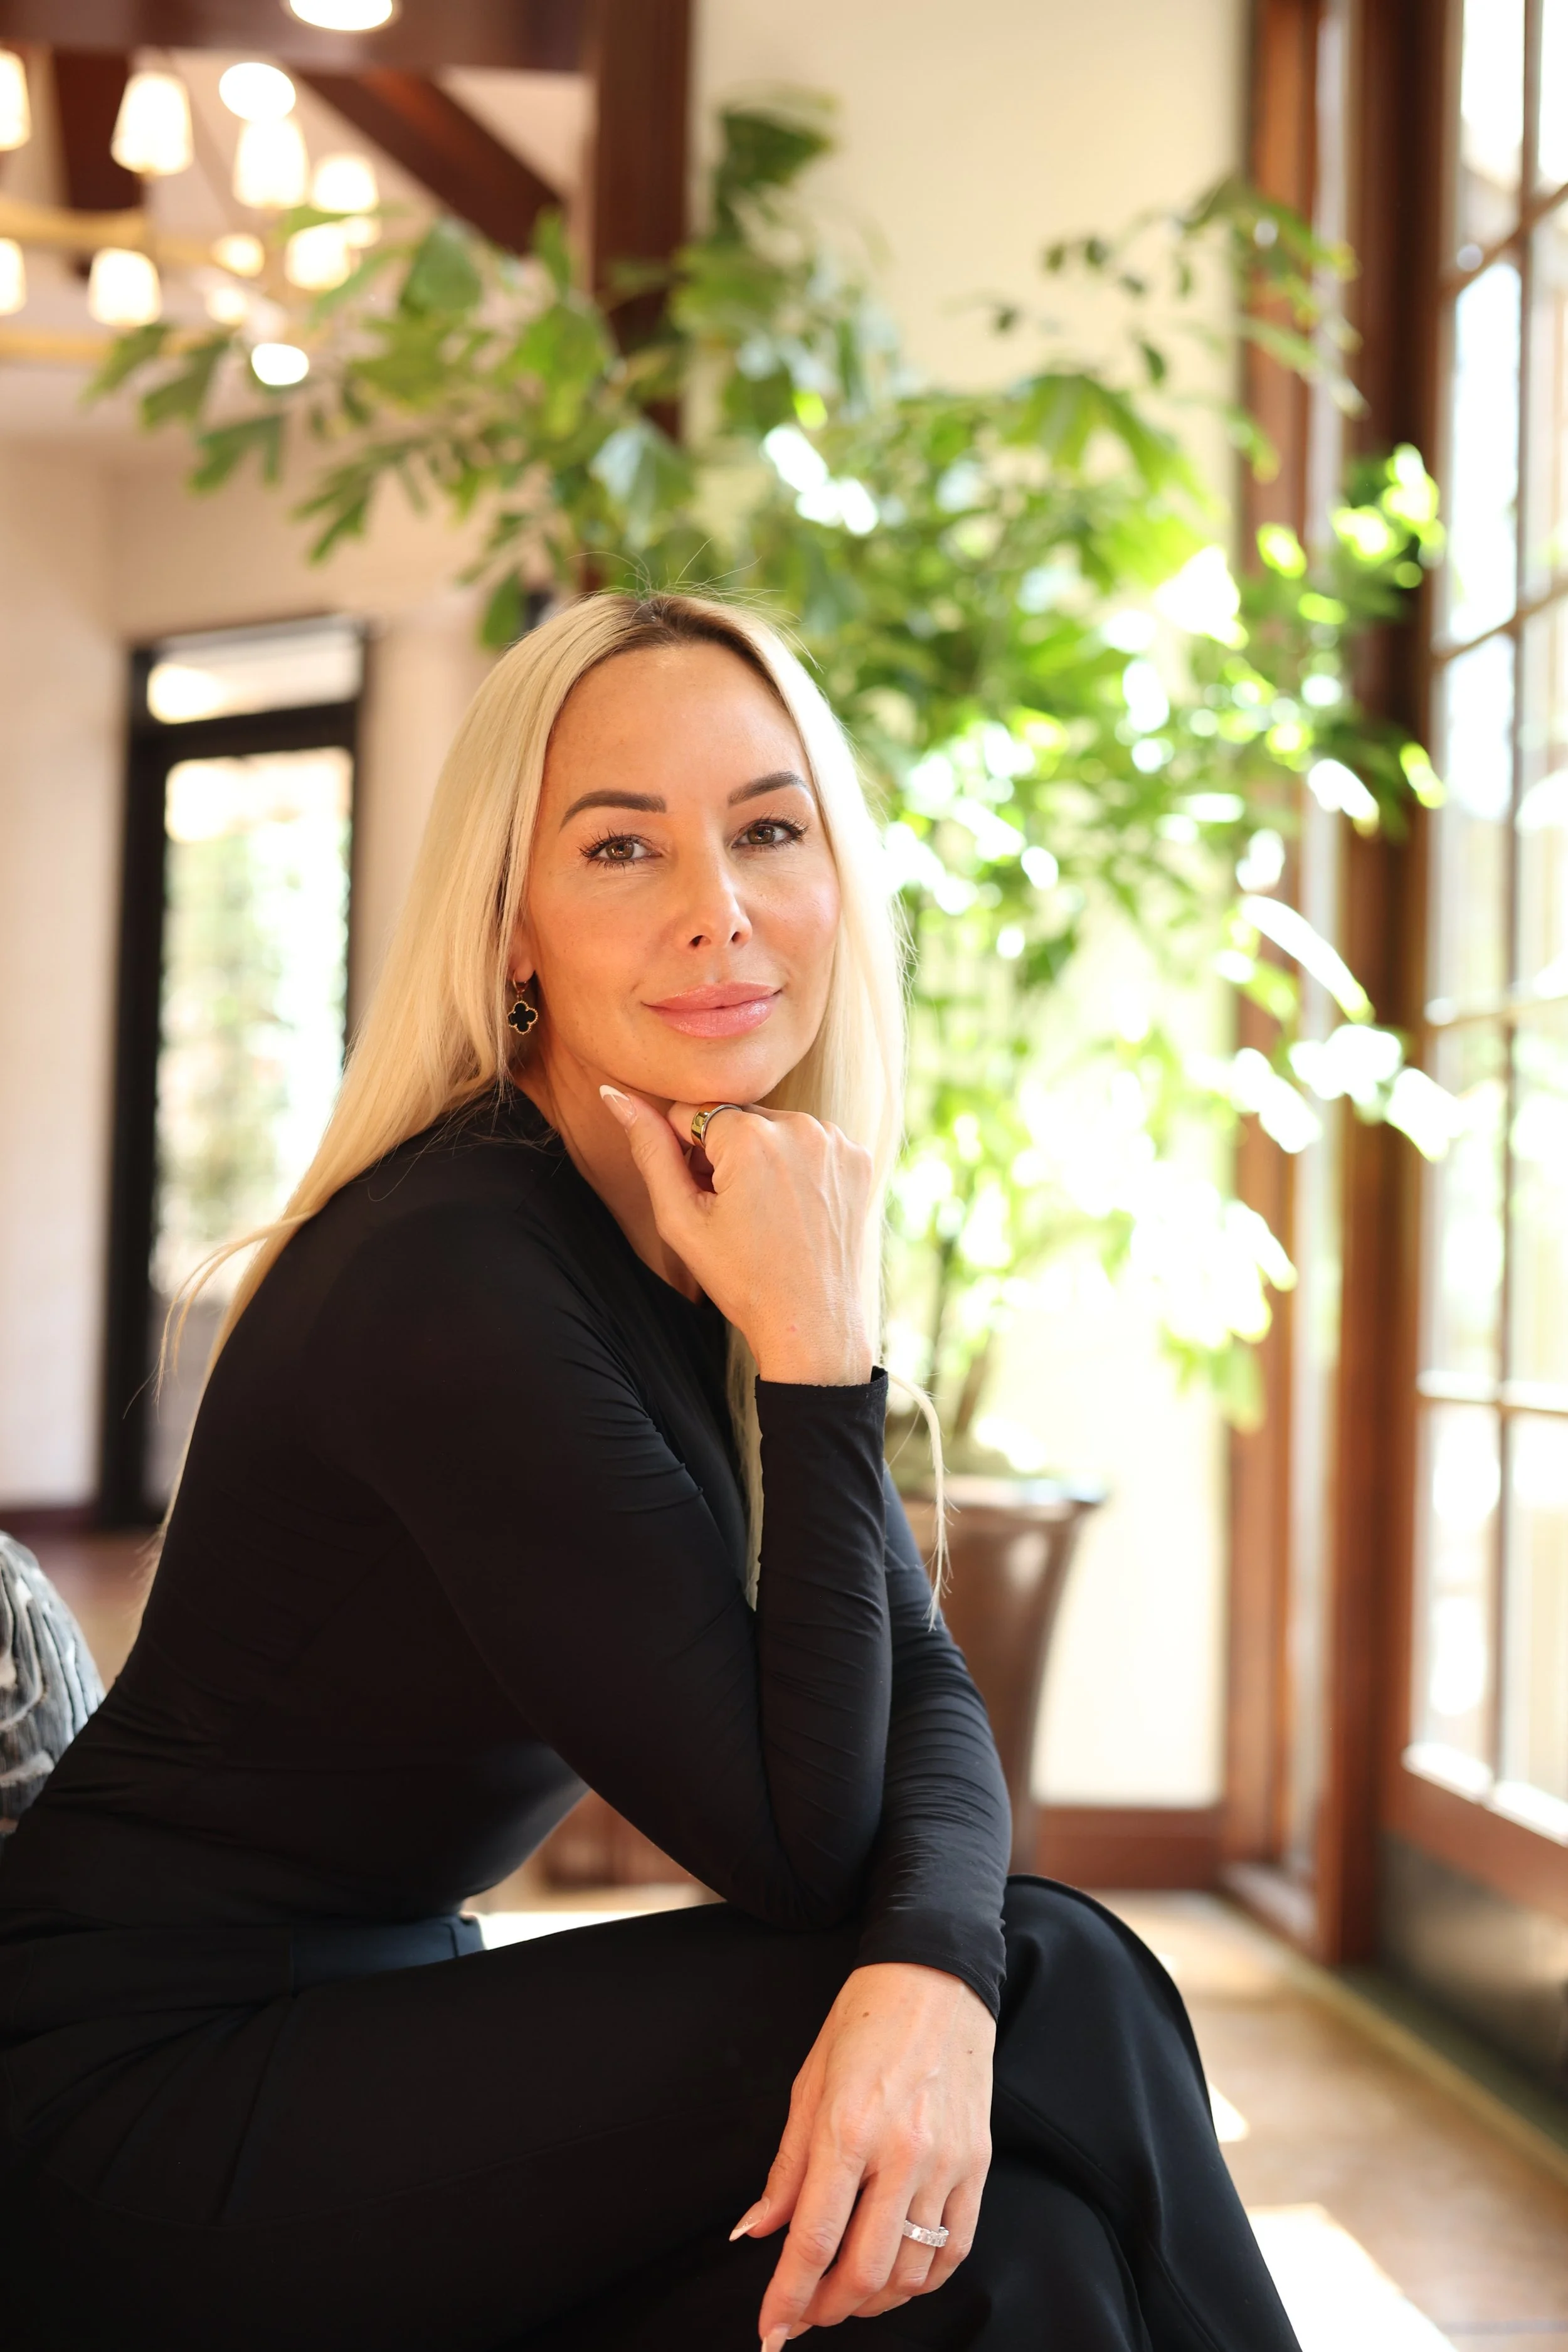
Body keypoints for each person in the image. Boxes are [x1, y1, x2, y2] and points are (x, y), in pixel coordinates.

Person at [0, 593, 1299, 2352]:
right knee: (1052, 1977)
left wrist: (927, 1966)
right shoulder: (453, 1273)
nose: (721, 905)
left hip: (353, 2029)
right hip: (139, 2111)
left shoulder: (690, 1223)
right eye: (622, 846)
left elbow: (917, 1679)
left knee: (1009, 2266)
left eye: (769, 829)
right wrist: (821, 1354)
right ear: (510, 925)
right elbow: (802, 1844)